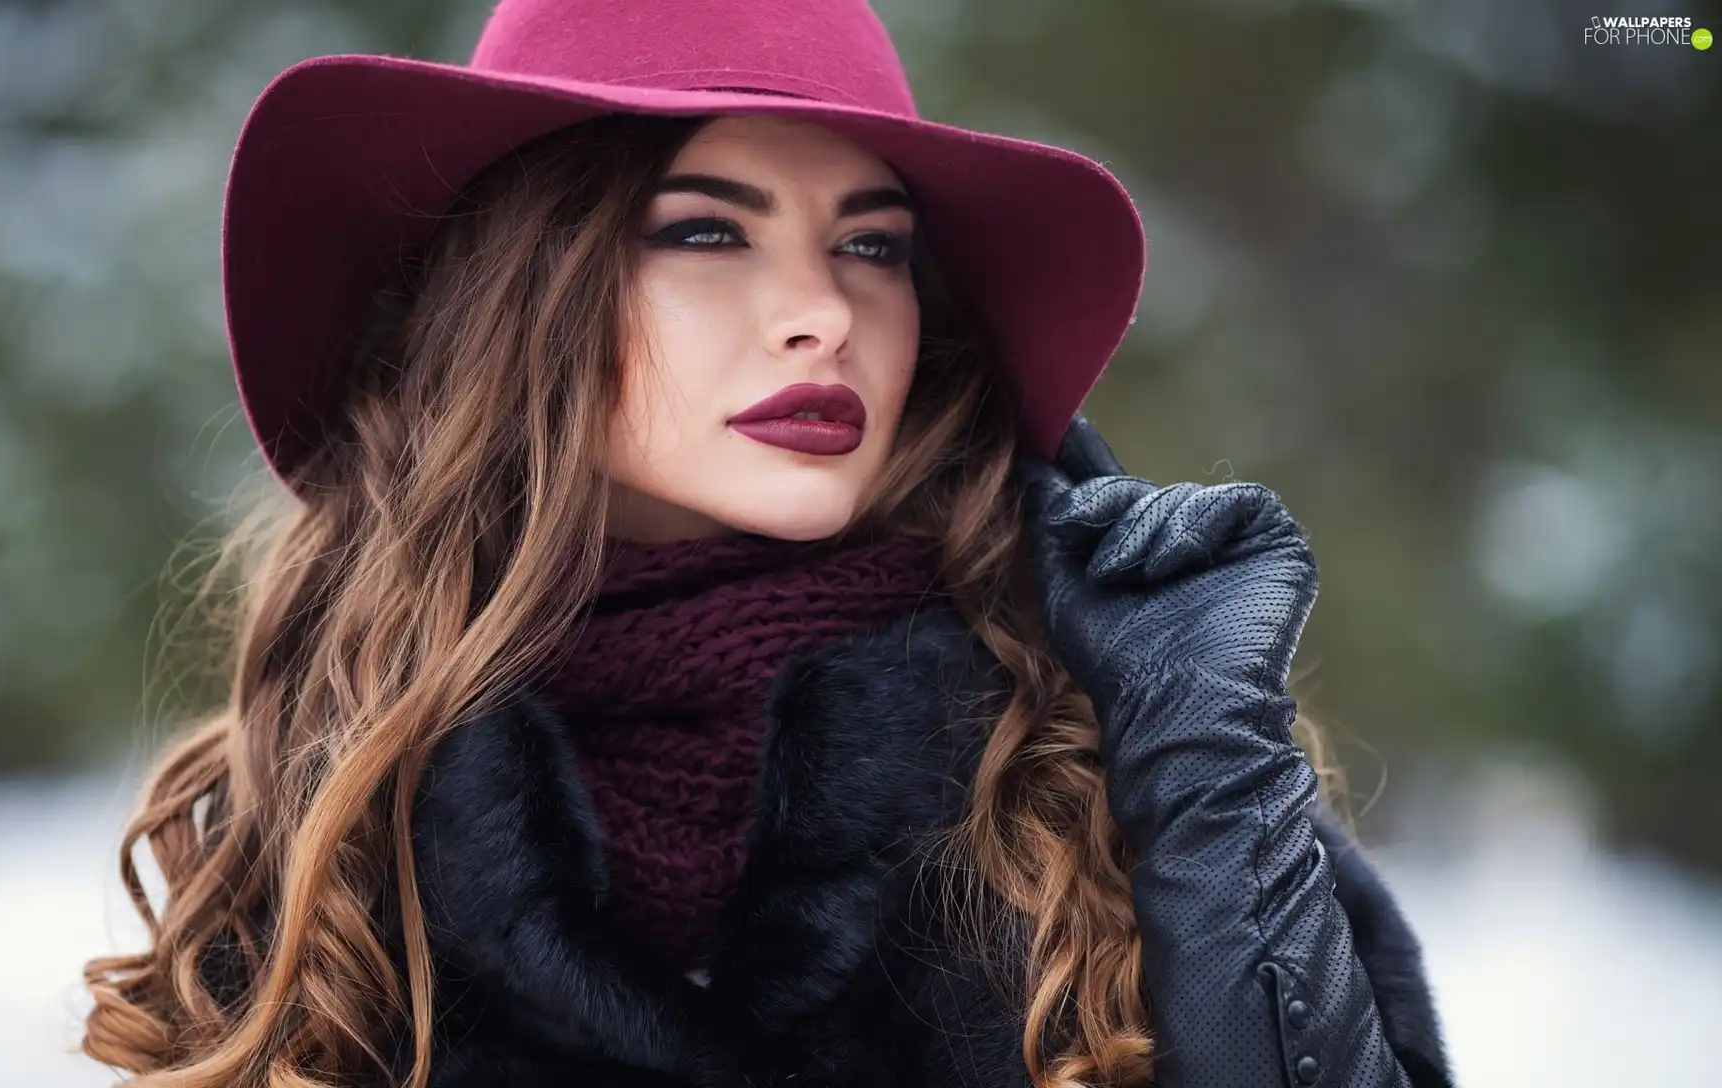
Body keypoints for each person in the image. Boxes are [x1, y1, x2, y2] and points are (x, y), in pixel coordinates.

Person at [81, 0, 1456, 1085]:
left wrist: (1208, 775)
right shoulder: (330, 790)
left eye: (872, 247)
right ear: (525, 295)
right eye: (706, 231)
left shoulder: (1091, 752)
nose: (821, 313)